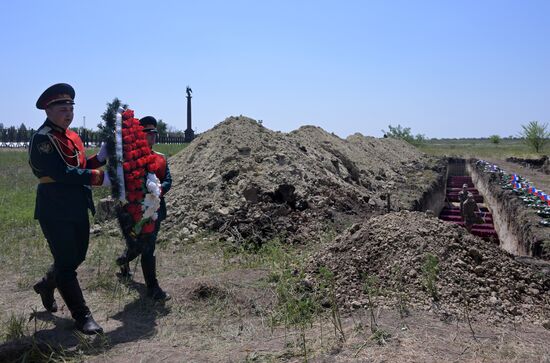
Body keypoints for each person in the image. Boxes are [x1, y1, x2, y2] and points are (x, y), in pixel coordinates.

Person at [29, 83, 110, 335]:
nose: (68, 111)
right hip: (54, 207)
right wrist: (99, 177)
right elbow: (61, 172)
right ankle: (82, 316)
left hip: (77, 205)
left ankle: (47, 284)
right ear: (48, 110)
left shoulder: (73, 136)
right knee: (66, 264)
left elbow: (82, 165)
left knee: (77, 256)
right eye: (62, 107)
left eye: (71, 106)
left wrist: (102, 158)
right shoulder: (43, 138)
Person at [116, 116, 172, 301]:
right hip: (134, 211)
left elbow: (168, 180)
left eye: (155, 133)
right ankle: (125, 262)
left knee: (148, 246)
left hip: (154, 209)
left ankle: (152, 287)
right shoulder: (130, 159)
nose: (153, 137)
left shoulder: (161, 159)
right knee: (137, 243)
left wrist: (157, 190)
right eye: (148, 133)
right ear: (140, 136)